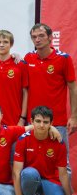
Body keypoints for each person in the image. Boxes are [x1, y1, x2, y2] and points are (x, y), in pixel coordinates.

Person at [24, 23, 77, 174]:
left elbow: (73, 88)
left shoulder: (64, 58)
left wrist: (74, 116)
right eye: (34, 37)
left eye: (41, 36)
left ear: (50, 37)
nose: (37, 39)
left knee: (62, 165)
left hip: (57, 121)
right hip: (33, 121)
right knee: (32, 163)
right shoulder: (28, 58)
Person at [12, 106, 76, 195]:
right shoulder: (22, 140)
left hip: (50, 180)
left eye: (45, 122)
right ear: (31, 121)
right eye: (38, 121)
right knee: (28, 173)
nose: (41, 125)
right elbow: (16, 174)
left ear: (51, 123)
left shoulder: (58, 142)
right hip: (31, 179)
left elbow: (63, 175)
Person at [0, 30, 28, 126]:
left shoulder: (20, 64)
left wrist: (22, 119)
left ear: (11, 44)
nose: (1, 45)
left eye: (5, 42)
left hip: (14, 120)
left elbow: (25, 92)